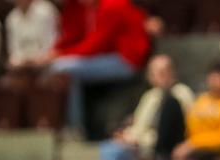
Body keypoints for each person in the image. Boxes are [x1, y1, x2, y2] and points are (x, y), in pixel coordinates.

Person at [45, 0, 151, 135]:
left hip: (128, 60)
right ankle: (73, 127)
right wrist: (58, 53)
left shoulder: (112, 6)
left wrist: (60, 55)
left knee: (60, 67)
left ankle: (70, 127)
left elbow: (97, 44)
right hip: (114, 56)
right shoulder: (92, 8)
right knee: (67, 73)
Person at [99, 54, 193, 160]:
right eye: (156, 72)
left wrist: (137, 140)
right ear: (150, 76)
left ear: (173, 73)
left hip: (161, 149)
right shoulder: (150, 96)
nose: (161, 75)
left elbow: (174, 133)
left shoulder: (182, 94)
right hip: (139, 144)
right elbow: (140, 126)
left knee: (112, 152)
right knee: (107, 147)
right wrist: (126, 136)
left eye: (165, 71)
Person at [5, 0, 59, 69]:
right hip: (22, 64)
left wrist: (37, 60)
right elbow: (14, 51)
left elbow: (52, 44)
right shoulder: (11, 18)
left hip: (46, 61)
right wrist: (21, 61)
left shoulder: (45, 10)